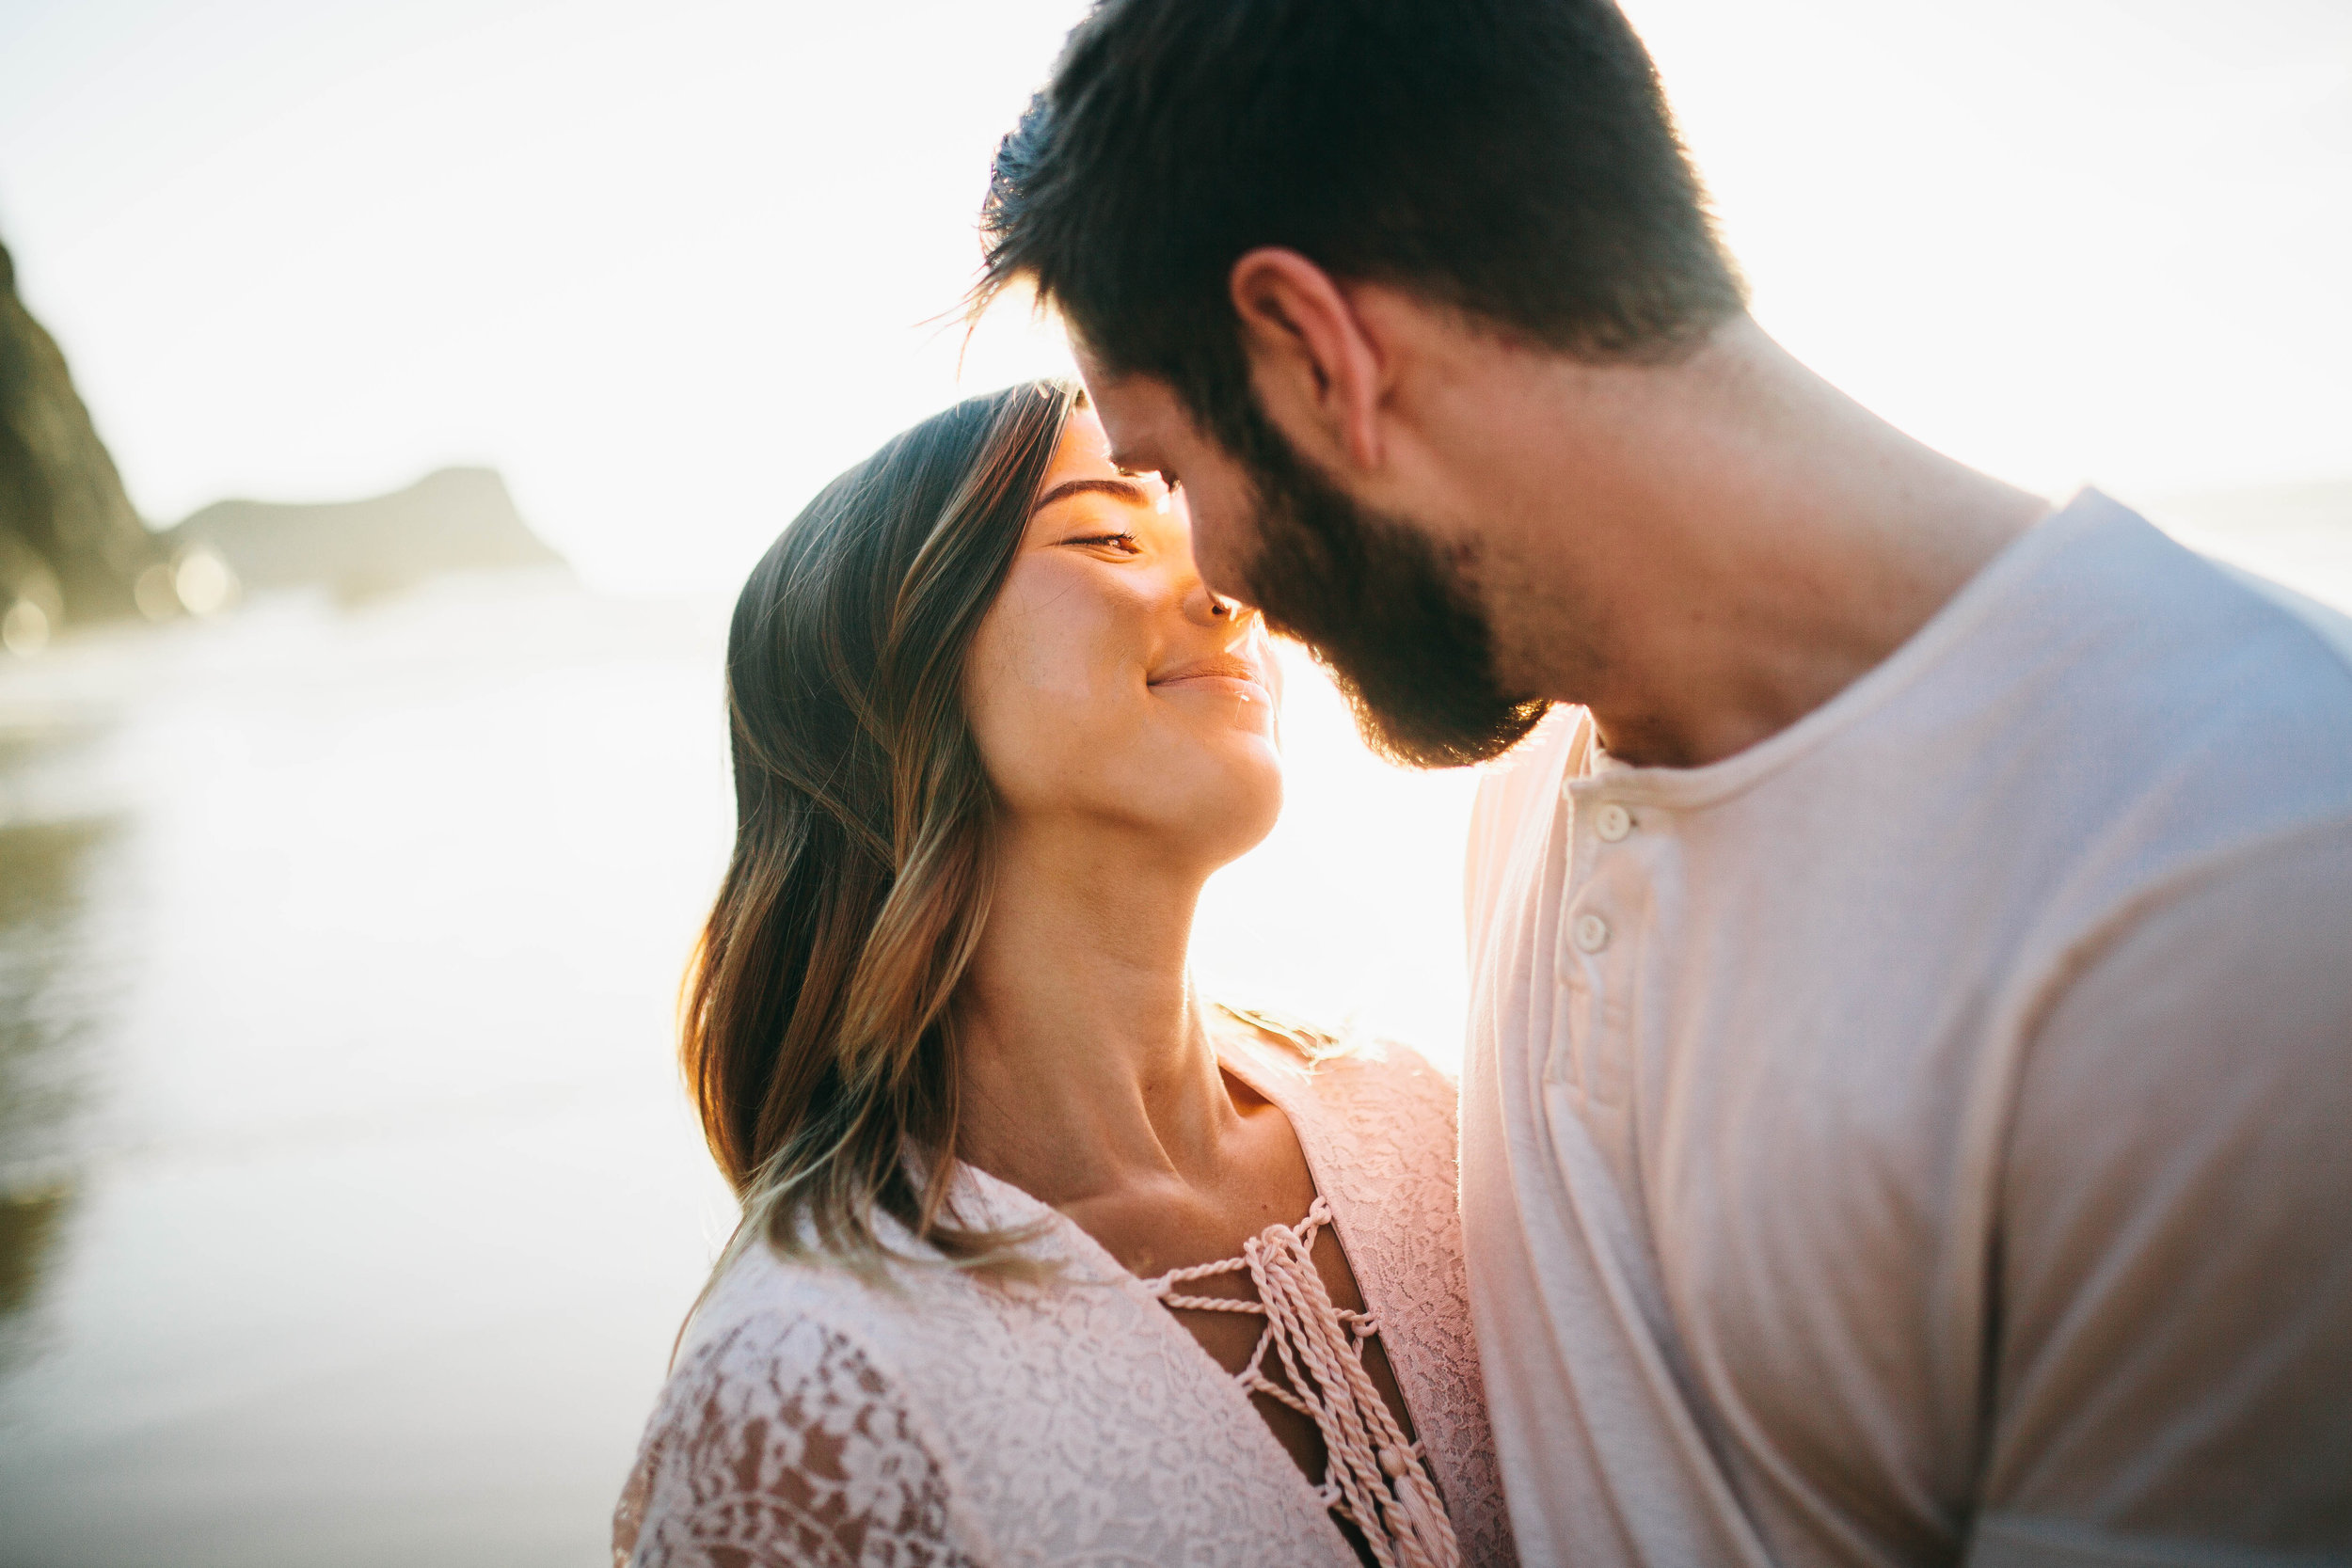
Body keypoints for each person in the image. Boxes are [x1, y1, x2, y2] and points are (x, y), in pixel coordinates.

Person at [973, 3, 2352, 1564]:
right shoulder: (1542, 775)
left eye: (1172, 469)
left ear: (1317, 353)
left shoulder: (2252, 870)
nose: (1210, 567)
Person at [612, 381, 1515, 1568]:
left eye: (1205, 526)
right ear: (891, 672)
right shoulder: (807, 1390)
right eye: (1106, 535)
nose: (1229, 589)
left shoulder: (1420, 1121)